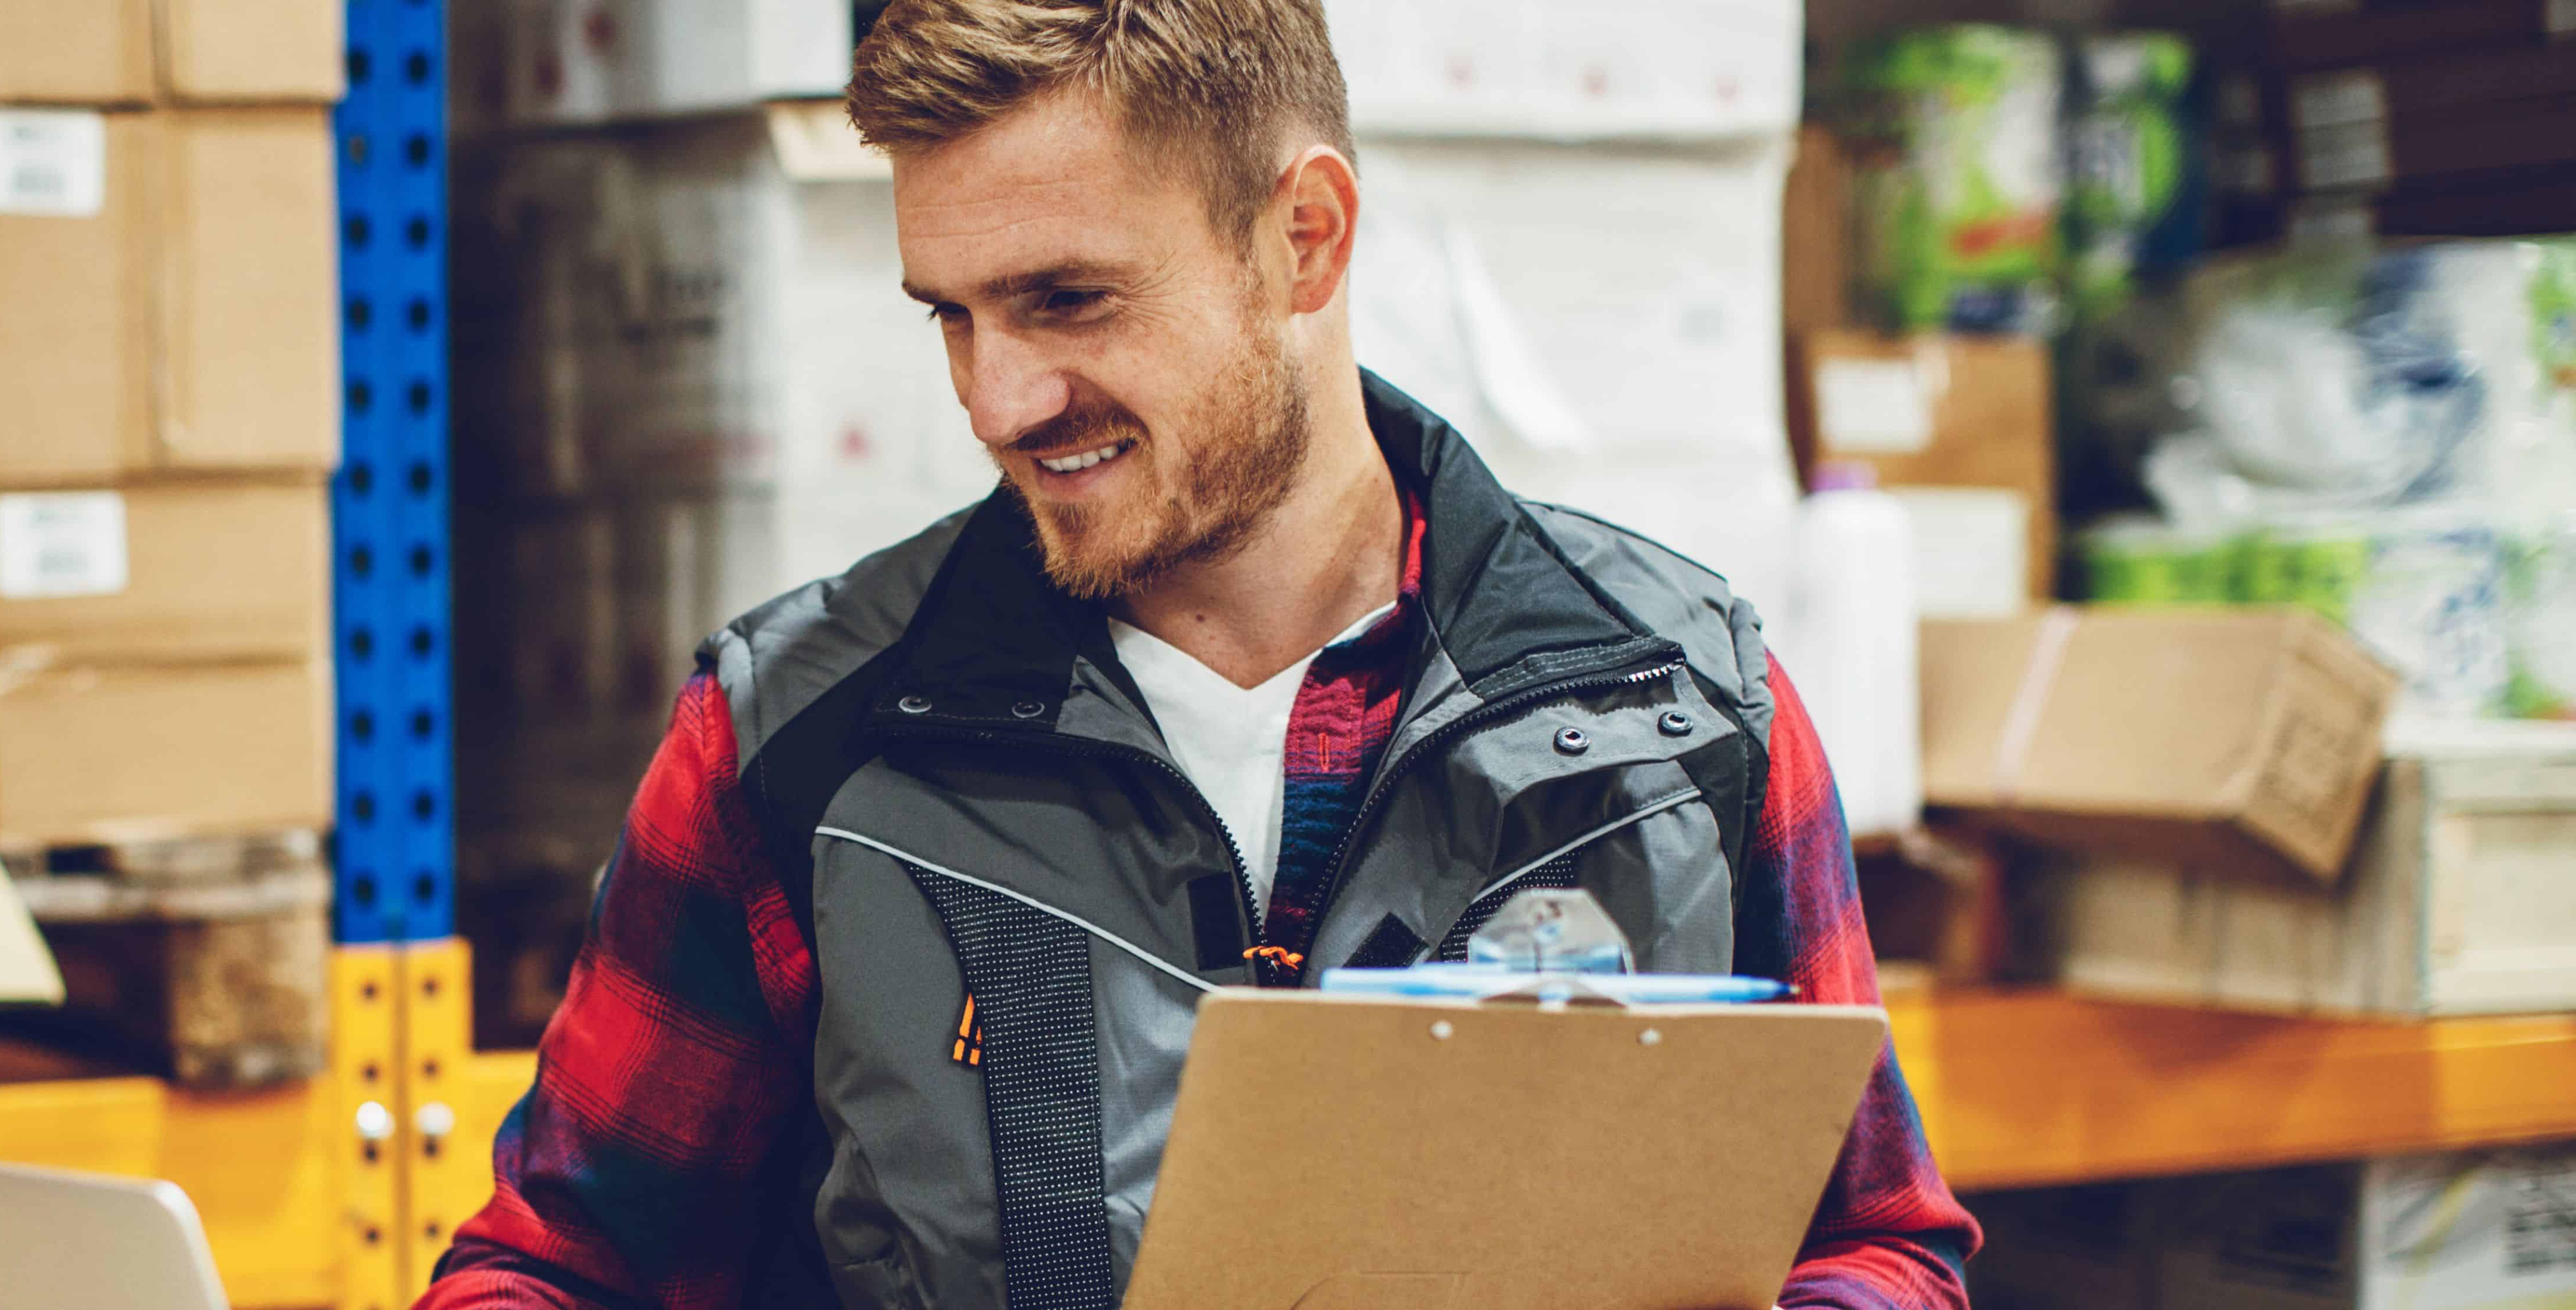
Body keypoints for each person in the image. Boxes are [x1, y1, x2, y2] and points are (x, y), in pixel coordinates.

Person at [421, 2, 1981, 1306]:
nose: (1000, 400)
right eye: (952, 318)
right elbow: (558, 1264)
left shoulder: (1679, 710)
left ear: (1304, 238)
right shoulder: (801, 746)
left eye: (1066, 301)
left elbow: (1880, 1240)